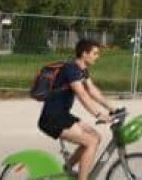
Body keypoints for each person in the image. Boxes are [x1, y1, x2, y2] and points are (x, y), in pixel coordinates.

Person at [38, 39, 117, 179]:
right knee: (90, 142)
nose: (97, 56)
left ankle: (67, 169)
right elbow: (82, 94)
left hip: (63, 115)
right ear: (84, 54)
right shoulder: (71, 69)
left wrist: (113, 108)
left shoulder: (81, 69)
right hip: (52, 118)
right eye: (95, 53)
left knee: (96, 137)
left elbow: (92, 91)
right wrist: (98, 114)